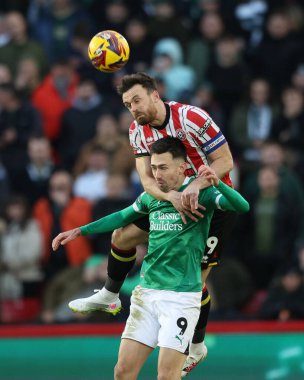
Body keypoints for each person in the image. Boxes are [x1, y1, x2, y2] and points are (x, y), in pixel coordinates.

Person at [67, 72, 235, 376]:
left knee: (195, 280)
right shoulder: (136, 131)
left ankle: (196, 346)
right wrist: (171, 198)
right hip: (168, 200)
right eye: (127, 104)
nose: (133, 108)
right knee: (121, 235)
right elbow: (146, 180)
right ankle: (110, 293)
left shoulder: (191, 117)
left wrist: (196, 185)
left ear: (155, 95)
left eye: (137, 100)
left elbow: (225, 160)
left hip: (209, 204)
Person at [52, 137, 249, 380]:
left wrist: (217, 182)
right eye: (154, 168)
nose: (157, 175)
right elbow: (121, 217)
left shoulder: (201, 195)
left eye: (163, 168)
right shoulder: (153, 197)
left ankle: (197, 346)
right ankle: (109, 294)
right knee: (122, 372)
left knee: (167, 376)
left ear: (181, 167)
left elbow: (242, 207)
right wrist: (80, 230)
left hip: (180, 298)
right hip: (147, 295)